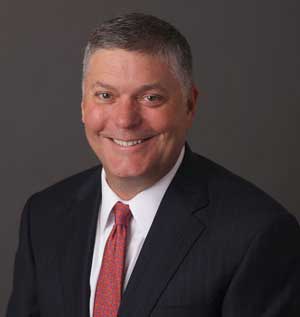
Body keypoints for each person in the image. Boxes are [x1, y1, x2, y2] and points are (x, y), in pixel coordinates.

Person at [6, 12, 300, 317]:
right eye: (105, 95)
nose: (125, 120)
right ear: (83, 105)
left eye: (150, 98)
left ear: (190, 104)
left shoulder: (256, 234)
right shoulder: (43, 217)